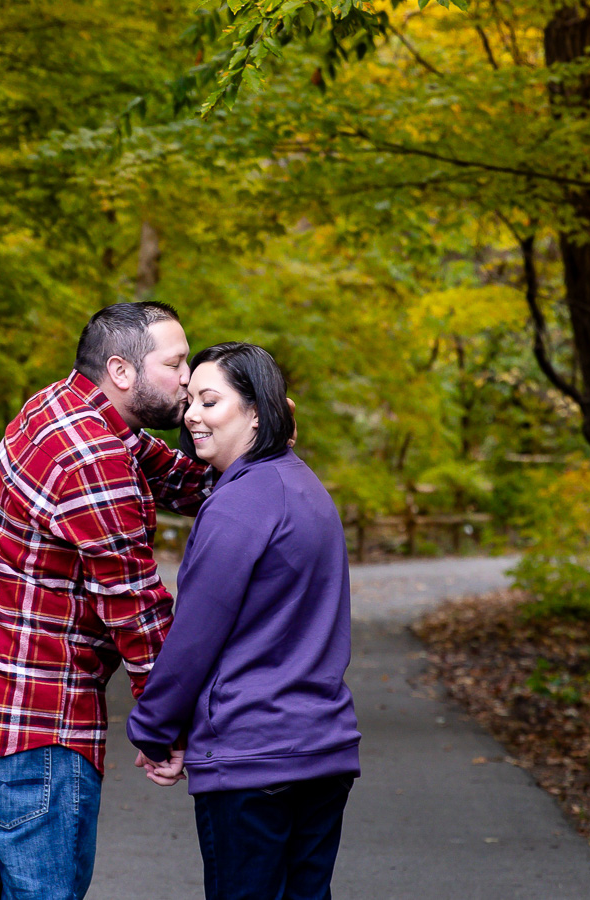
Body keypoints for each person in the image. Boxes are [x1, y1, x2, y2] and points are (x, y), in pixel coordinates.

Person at [0, 301, 214, 900]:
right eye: (176, 363)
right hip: (29, 731)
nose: (187, 378)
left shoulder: (59, 405)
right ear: (122, 371)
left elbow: (176, 476)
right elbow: (136, 607)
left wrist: (251, 456)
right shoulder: (94, 456)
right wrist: (166, 728)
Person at [126, 342, 359, 900]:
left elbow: (194, 638)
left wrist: (155, 730)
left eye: (210, 401)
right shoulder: (305, 489)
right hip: (321, 750)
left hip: (253, 756)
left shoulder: (240, 504)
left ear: (258, 410)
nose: (191, 415)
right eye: (190, 402)